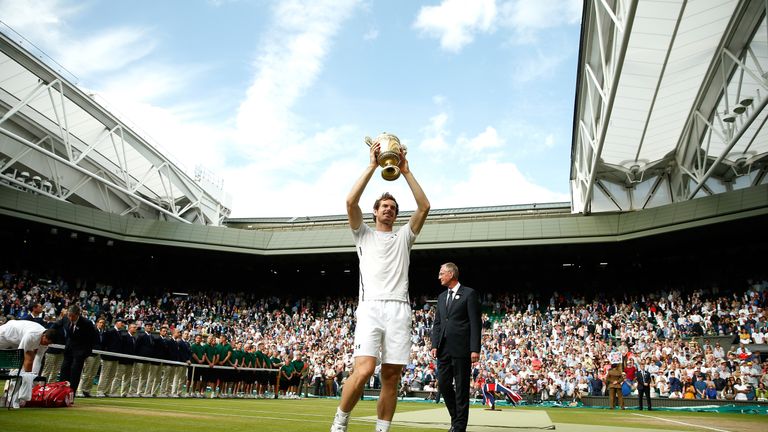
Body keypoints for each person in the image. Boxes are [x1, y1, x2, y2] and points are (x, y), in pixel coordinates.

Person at [330, 140, 430, 432]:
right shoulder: (362, 234)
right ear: (375, 212)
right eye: (384, 206)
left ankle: (381, 430)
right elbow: (350, 202)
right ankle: (340, 423)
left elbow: (424, 206)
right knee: (363, 371)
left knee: (392, 375)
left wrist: (406, 171)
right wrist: (373, 165)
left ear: (396, 215)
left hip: (399, 309)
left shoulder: (404, 238)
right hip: (371, 306)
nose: (389, 210)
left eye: (393, 208)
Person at [430, 262, 481, 432]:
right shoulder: (442, 297)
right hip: (443, 349)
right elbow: (437, 323)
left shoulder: (469, 294)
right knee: (443, 385)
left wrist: (475, 348)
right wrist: (434, 344)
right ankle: (456, 418)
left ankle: (459, 427)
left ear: (451, 274)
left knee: (461, 389)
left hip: (461, 349)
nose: (439, 277)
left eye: (441, 273)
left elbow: (475, 323)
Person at [0, 319, 57, 408]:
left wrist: (33, 377)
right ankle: (9, 394)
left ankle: (8, 396)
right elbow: (20, 354)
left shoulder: (45, 341)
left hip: (17, 339)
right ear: (44, 336)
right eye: (45, 342)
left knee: (23, 371)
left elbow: (38, 358)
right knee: (17, 367)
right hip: (5, 333)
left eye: (48, 344)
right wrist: (16, 373)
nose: (45, 344)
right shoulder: (32, 335)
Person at [54, 304, 98, 397]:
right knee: (64, 370)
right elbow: (56, 325)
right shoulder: (66, 319)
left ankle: (71, 394)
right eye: (69, 315)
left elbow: (93, 339)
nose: (70, 318)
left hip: (80, 351)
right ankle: (61, 393)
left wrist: (85, 352)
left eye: (72, 316)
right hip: (69, 350)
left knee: (75, 372)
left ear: (78, 314)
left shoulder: (87, 323)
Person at [77, 316, 106, 397]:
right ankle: (80, 390)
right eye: (100, 322)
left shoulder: (104, 332)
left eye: (103, 323)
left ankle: (87, 390)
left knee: (93, 374)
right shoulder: (93, 330)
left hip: (98, 355)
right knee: (86, 373)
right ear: (97, 323)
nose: (101, 324)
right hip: (90, 354)